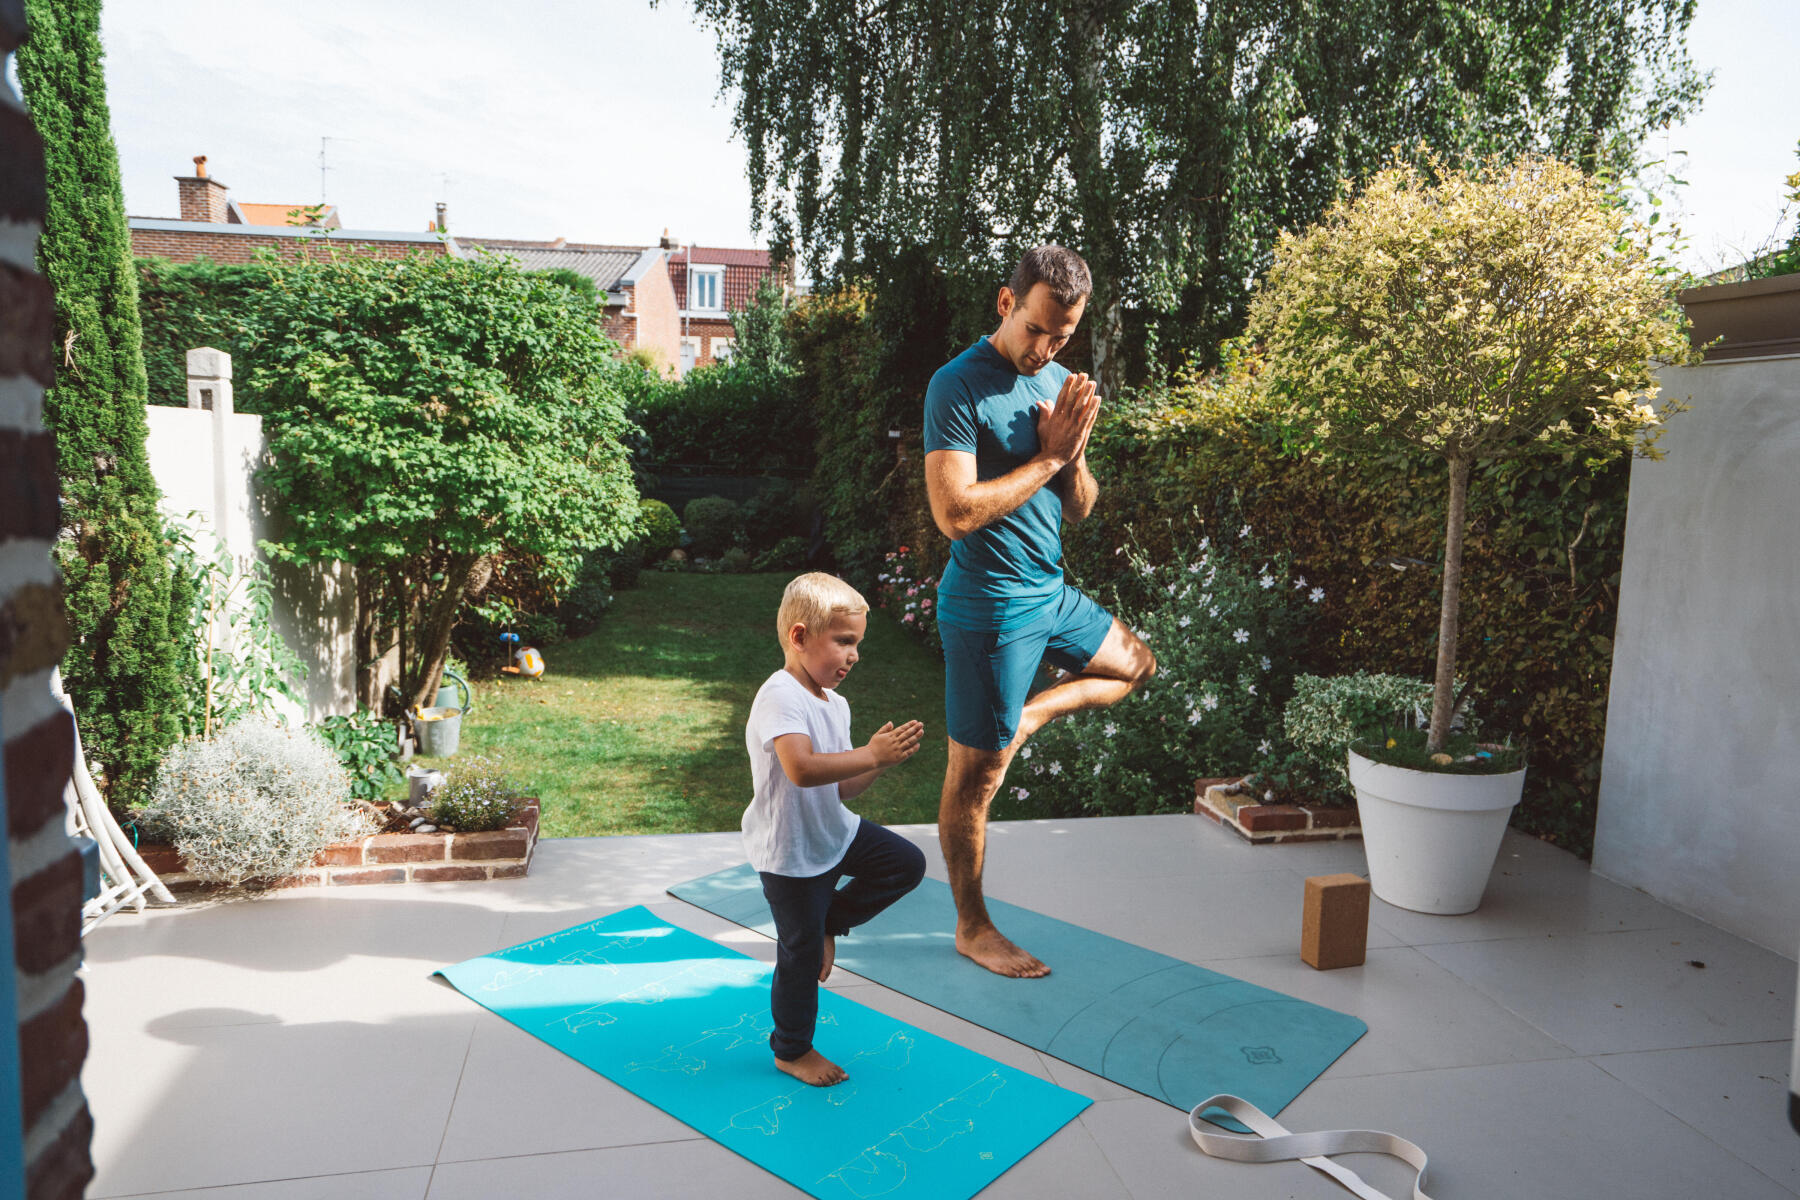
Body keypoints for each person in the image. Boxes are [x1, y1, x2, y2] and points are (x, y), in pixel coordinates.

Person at [922, 245, 1157, 979]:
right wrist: (1049, 459)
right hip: (990, 608)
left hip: (1050, 593)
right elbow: (954, 514)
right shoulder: (955, 387)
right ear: (1006, 304)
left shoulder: (1058, 384)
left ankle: (1029, 717)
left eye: (1063, 336)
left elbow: (1081, 511)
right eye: (1037, 330)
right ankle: (972, 925)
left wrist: (1076, 457)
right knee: (976, 780)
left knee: (1136, 664)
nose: (1048, 348)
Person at [743, 572, 928, 1086]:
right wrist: (868, 752)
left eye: (857, 645)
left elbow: (843, 787)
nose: (854, 656)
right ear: (799, 636)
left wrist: (878, 761)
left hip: (835, 832)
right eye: (844, 642)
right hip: (792, 851)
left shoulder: (834, 702)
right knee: (800, 957)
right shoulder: (780, 695)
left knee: (905, 865)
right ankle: (791, 1050)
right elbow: (801, 769)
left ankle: (830, 920)